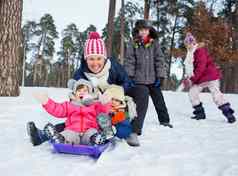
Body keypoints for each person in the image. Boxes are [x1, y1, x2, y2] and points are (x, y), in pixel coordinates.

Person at [27, 31, 139, 146]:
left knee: (117, 121)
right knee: (74, 122)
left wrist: (113, 95)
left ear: (104, 58)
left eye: (98, 58)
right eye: (91, 59)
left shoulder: (113, 67)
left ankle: (126, 134)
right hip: (91, 111)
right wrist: (49, 102)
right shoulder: (80, 74)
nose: (95, 63)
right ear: (86, 59)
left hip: (113, 106)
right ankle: (43, 136)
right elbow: (73, 105)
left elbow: (128, 83)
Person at [124, 19, 173, 144]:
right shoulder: (133, 44)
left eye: (146, 30)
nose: (144, 32)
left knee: (159, 99)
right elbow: (130, 61)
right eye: (141, 30)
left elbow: (159, 60)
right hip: (138, 80)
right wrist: (129, 76)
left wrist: (160, 76)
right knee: (137, 101)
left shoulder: (154, 44)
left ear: (149, 30)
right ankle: (131, 123)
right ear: (137, 31)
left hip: (152, 79)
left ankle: (164, 120)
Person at [32, 79, 114, 145]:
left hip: (89, 130)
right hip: (73, 130)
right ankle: (59, 139)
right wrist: (46, 102)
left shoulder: (94, 105)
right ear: (75, 93)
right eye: (79, 90)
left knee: (92, 133)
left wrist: (105, 103)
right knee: (68, 134)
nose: (82, 92)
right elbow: (57, 109)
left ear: (90, 93)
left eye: (85, 90)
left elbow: (103, 112)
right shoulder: (70, 105)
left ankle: (96, 140)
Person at [181, 32, 236, 123]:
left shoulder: (199, 51)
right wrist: (188, 78)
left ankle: (228, 113)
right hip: (199, 78)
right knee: (192, 93)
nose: (189, 46)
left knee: (216, 95)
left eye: (190, 44)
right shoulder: (190, 54)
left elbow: (200, 68)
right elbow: (191, 70)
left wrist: (192, 80)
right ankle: (200, 113)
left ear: (194, 43)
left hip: (210, 76)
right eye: (187, 45)